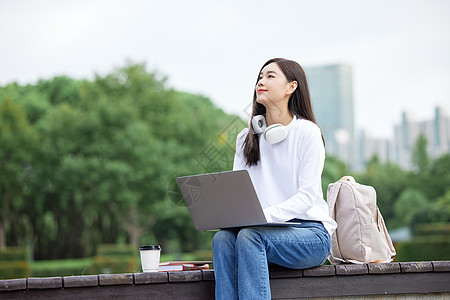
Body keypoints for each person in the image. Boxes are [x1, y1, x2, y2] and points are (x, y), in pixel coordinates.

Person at [212, 58, 337, 300]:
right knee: (222, 239)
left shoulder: (307, 132)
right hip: (261, 230)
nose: (261, 81)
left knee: (249, 236)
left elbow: (307, 196)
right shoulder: (244, 138)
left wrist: (262, 218)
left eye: (270, 76)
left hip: (309, 234)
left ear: (291, 87)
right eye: (260, 77)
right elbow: (239, 193)